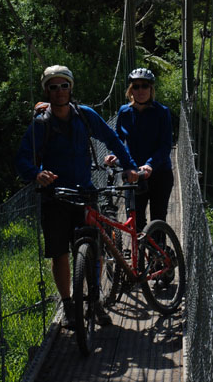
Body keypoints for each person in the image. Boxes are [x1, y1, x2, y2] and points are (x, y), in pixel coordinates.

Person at [16, 65, 138, 329]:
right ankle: (69, 304)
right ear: (46, 91)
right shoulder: (41, 124)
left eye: (64, 86)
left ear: (71, 88)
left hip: (85, 193)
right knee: (59, 253)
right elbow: (23, 159)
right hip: (55, 197)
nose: (59, 91)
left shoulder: (85, 116)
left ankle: (95, 300)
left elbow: (113, 140)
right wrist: (37, 174)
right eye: (53, 87)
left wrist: (129, 166)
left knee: (94, 249)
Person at [105, 68, 174, 233]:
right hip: (134, 174)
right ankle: (141, 251)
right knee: (136, 222)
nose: (140, 90)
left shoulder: (162, 112)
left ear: (151, 89)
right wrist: (114, 154)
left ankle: (157, 250)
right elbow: (118, 139)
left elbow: (166, 145)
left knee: (158, 221)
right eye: (136, 86)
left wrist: (150, 164)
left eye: (145, 86)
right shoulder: (124, 112)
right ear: (131, 90)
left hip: (159, 173)